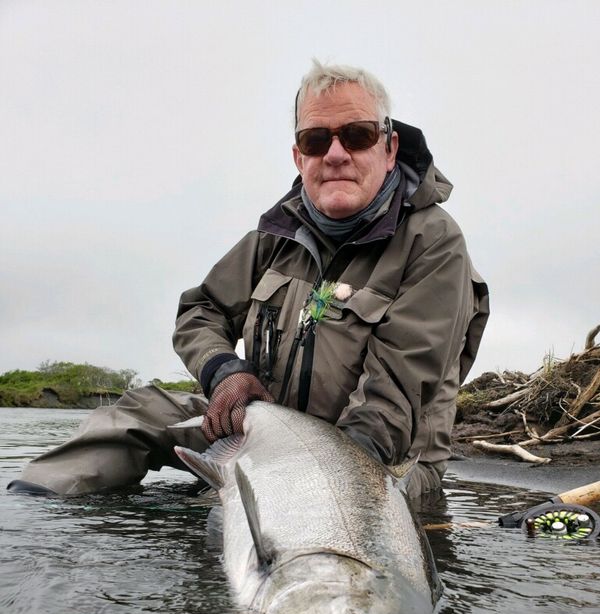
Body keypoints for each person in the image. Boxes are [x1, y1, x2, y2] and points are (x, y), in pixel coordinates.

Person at [8, 61, 489, 499]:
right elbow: (202, 310)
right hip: (265, 430)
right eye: (317, 140)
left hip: (380, 456)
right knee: (134, 414)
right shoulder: (272, 235)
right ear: (299, 158)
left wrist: (310, 482)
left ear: (389, 148)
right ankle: (30, 518)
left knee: (320, 531)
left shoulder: (435, 242)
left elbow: (393, 400)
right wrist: (225, 372)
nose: (336, 154)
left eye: (357, 135)